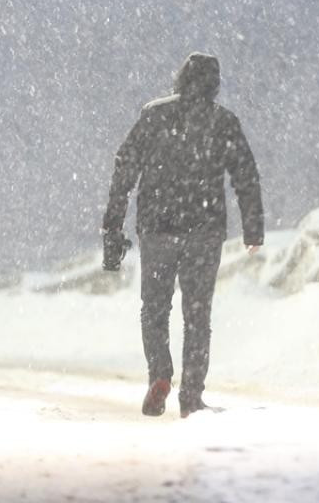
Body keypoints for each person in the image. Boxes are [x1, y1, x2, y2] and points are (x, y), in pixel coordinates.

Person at [102, 52, 263, 418]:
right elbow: (246, 177)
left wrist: (113, 223)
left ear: (180, 79)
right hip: (205, 230)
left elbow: (124, 169)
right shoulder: (223, 122)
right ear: (214, 85)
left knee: (155, 309)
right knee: (197, 314)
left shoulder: (154, 116)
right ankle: (191, 396)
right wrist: (253, 229)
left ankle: (159, 374)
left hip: (158, 228)